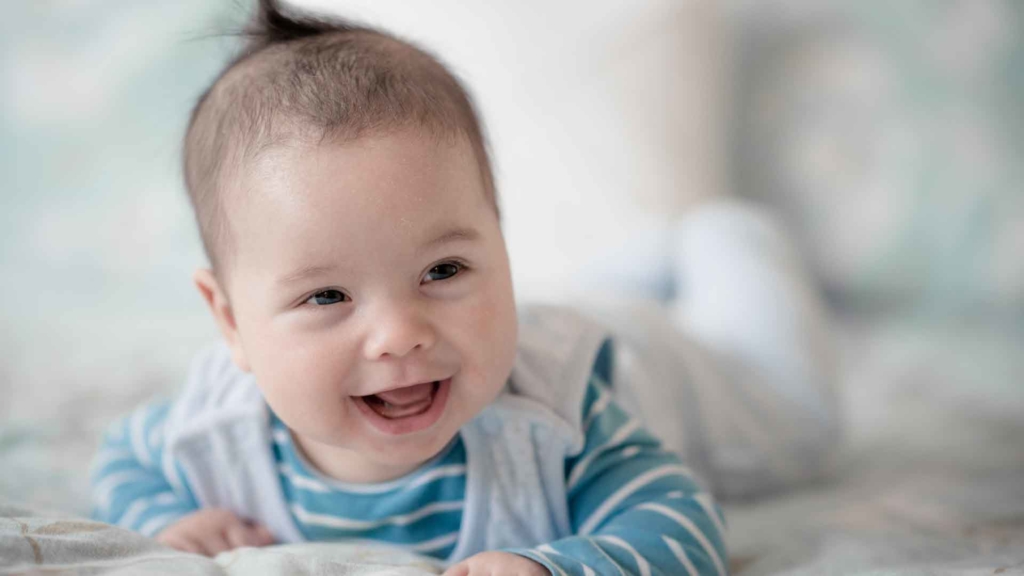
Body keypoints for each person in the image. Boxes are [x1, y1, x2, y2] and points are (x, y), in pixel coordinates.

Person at [90, 1, 839, 574]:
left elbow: (682, 520)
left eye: (443, 271)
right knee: (599, 293)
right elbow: (121, 459)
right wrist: (168, 519)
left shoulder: (559, 420)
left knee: (796, 417)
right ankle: (641, 258)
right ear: (228, 321)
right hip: (581, 310)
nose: (399, 333)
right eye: (327, 297)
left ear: (501, 250)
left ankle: (722, 233)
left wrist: (553, 566)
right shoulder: (208, 430)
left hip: (684, 377)